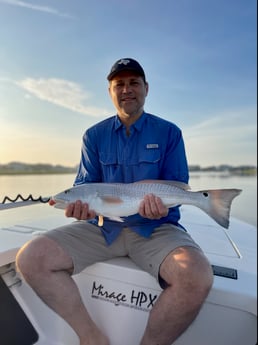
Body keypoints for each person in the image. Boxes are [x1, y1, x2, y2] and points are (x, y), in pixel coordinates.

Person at [16, 58, 213, 345]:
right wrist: (80, 209)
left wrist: (161, 206)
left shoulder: (170, 132)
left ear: (146, 88)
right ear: (110, 91)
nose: (126, 89)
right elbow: (85, 186)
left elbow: (178, 186)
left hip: (156, 228)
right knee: (31, 258)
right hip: (103, 228)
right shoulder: (93, 136)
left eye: (134, 83)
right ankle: (91, 338)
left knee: (196, 276)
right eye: (119, 84)